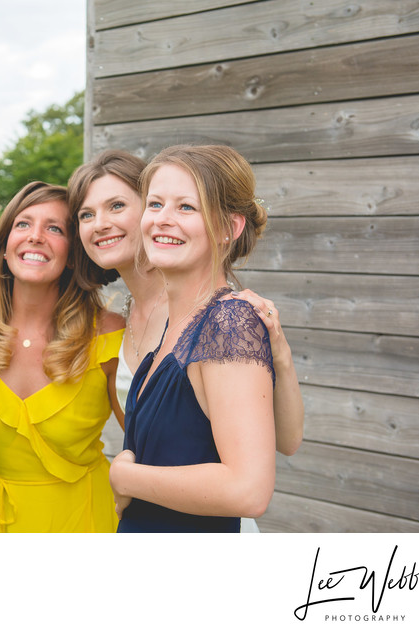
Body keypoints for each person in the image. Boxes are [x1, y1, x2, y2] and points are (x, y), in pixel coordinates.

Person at [68, 149, 304, 532]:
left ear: (229, 228)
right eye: (156, 204)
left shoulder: (226, 323)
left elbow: (250, 490)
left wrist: (125, 477)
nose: (163, 219)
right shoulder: (170, 327)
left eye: (186, 207)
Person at [0, 181, 126, 532]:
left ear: (73, 255)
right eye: (23, 224)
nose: (35, 236)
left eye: (54, 228)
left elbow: (151, 445)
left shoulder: (110, 336)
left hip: (82, 521)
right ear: (5, 246)